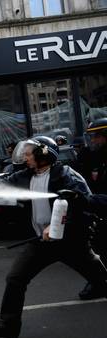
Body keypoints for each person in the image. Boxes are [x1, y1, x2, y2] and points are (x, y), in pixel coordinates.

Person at [0, 136, 107, 338]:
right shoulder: (25, 175)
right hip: (41, 242)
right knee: (16, 278)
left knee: (102, 280)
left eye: (29, 153)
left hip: (71, 242)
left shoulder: (67, 176)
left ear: (43, 154)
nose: (25, 157)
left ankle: (97, 284)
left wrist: (58, 225)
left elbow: (85, 206)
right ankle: (9, 327)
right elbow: (2, 184)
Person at [76, 118, 107, 300]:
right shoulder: (96, 157)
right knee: (99, 248)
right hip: (100, 213)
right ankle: (99, 282)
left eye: (96, 136)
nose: (93, 140)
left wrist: (89, 199)